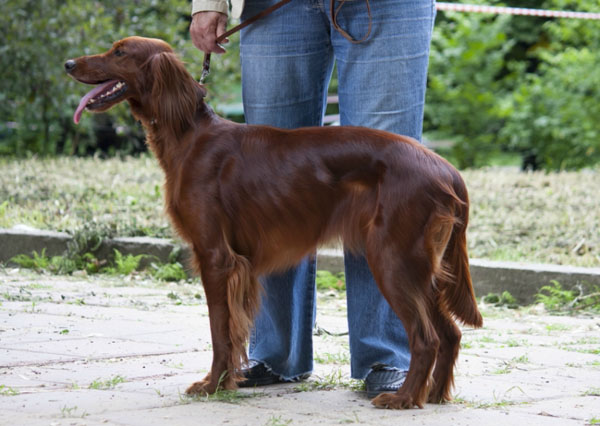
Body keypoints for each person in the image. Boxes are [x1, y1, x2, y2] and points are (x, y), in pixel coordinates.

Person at [189, 0, 436, 398]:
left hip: (389, 6)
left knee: (387, 180)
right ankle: (275, 353)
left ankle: (387, 355)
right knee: (266, 181)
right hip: (274, 5)